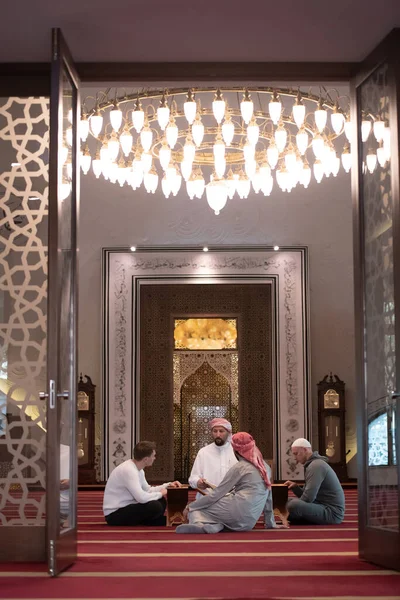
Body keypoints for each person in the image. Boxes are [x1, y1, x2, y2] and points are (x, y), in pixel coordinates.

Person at [176, 431, 287, 533]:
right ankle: (217, 526)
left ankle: (199, 524)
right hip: (249, 522)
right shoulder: (265, 467)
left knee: (196, 509)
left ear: (235, 450)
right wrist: (270, 523)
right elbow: (268, 497)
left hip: (236, 510)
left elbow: (217, 494)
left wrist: (190, 507)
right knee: (208, 508)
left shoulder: (240, 467)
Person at [103, 440, 182, 526]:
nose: (154, 458)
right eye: (153, 456)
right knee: (155, 505)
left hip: (127, 507)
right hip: (114, 515)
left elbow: (147, 490)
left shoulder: (139, 469)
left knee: (160, 500)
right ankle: (150, 521)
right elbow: (141, 498)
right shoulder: (129, 470)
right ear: (146, 459)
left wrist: (167, 485)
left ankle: (149, 521)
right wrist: (160, 493)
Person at [284, 437, 345, 525]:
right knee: (286, 501)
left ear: (305, 450)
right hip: (321, 506)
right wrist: (295, 487)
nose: (295, 458)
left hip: (332, 513)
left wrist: (292, 507)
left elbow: (308, 498)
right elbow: (308, 497)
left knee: (293, 505)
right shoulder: (313, 465)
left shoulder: (316, 466)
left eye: (296, 454)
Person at [188, 417, 237, 500]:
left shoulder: (236, 451)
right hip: (208, 498)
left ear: (228, 432)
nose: (218, 434)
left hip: (232, 499)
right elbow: (192, 479)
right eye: (215, 431)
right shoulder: (203, 452)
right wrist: (198, 482)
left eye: (221, 431)